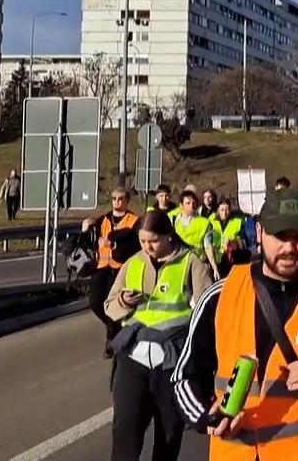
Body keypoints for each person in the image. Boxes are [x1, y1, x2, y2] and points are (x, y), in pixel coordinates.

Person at [172, 187, 298, 460]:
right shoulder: (220, 295)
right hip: (234, 453)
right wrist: (207, 418)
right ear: (259, 232)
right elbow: (184, 378)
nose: (289, 248)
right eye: (280, 236)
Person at [105, 211, 213, 461]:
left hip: (172, 363)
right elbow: (109, 305)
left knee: (169, 433)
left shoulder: (190, 263)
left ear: (168, 236)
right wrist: (123, 300)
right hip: (134, 358)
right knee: (125, 429)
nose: (147, 247)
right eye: (142, 241)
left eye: (152, 240)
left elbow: (208, 310)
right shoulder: (133, 263)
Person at [83, 189, 141, 358]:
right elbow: (90, 243)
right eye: (114, 198)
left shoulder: (133, 220)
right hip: (102, 266)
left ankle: (111, 342)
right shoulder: (104, 220)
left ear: (127, 200)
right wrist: (85, 229)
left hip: (120, 268)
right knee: (95, 302)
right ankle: (116, 326)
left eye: (121, 198)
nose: (117, 202)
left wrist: (114, 245)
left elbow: (135, 244)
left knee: (112, 304)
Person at [172, 190, 221, 281]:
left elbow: (208, 246)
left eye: (193, 203)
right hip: (178, 263)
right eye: (188, 203)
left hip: (198, 263)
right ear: (181, 205)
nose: (192, 205)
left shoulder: (204, 223)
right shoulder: (174, 220)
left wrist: (214, 267)